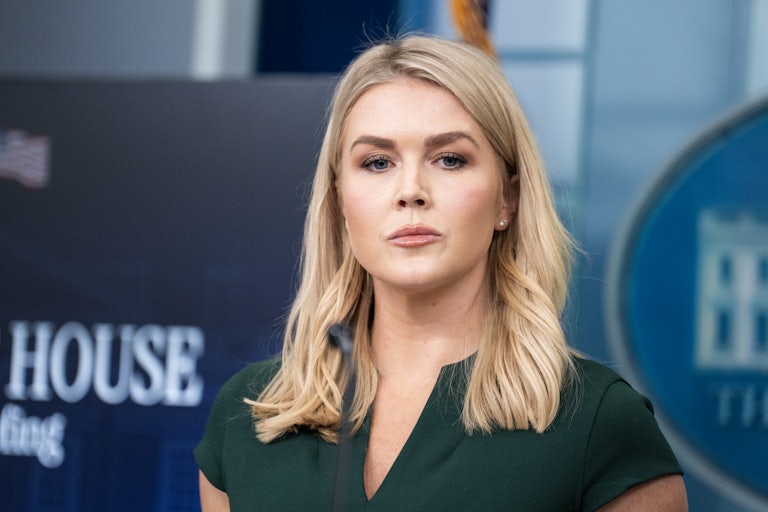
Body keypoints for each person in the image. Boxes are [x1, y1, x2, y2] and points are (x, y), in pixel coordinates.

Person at [195, 34, 687, 511]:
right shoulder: (245, 416)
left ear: (507, 199)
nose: (411, 190)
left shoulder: (600, 423)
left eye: (450, 159)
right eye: (377, 162)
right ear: (340, 200)